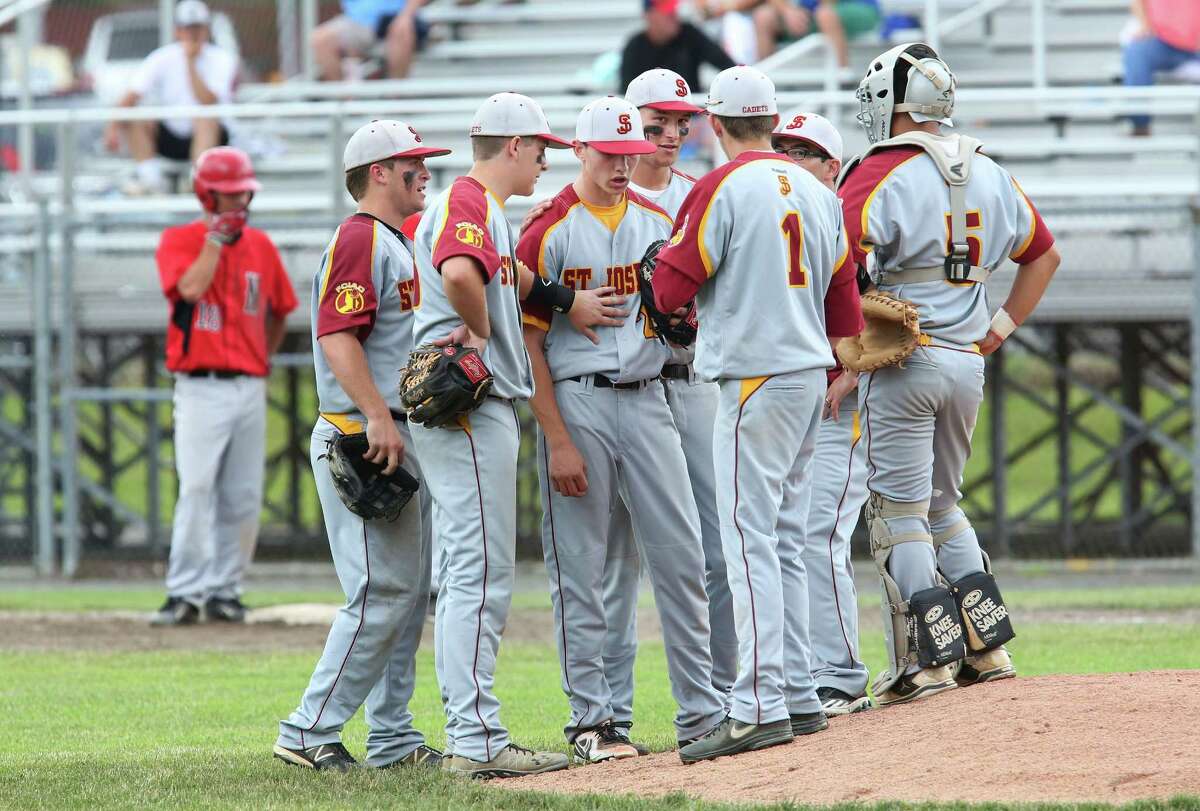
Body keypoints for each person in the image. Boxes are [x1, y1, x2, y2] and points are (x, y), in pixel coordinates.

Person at [408, 92, 628, 778]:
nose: (544, 160)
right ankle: (476, 740)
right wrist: (480, 327)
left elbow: (508, 272)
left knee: (468, 570)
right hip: (471, 406)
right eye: (539, 148)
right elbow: (460, 273)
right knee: (479, 574)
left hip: (470, 408)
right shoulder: (470, 200)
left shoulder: (479, 207)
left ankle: (470, 729)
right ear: (512, 146)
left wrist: (563, 300)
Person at [651, 66, 863, 763]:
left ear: (715, 124)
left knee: (749, 539)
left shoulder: (720, 186)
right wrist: (838, 364)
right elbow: (845, 300)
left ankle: (759, 703)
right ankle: (800, 690)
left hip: (753, 376)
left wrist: (668, 280)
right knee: (789, 535)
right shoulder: (816, 187)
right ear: (771, 122)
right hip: (808, 373)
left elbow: (672, 282)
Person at [838, 43, 1060, 706]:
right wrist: (997, 330)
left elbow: (835, 259)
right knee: (944, 505)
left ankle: (925, 662)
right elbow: (1043, 256)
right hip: (967, 356)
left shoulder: (878, 168)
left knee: (901, 514)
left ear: (891, 104)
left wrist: (845, 332)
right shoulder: (988, 168)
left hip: (904, 358)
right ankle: (987, 646)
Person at [518, 96, 728, 763]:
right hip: (577, 399)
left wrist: (683, 323)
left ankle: (702, 712)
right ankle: (593, 719)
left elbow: (691, 313)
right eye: (609, 155)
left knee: (682, 556)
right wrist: (555, 437)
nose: (620, 166)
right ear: (580, 150)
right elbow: (528, 343)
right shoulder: (547, 228)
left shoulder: (658, 220)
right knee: (582, 567)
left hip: (649, 396)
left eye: (630, 155)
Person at [272, 121, 451, 772]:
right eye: (412, 163)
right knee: (382, 590)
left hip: (395, 426)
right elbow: (338, 336)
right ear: (378, 171)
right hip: (363, 430)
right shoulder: (360, 239)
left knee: (404, 595)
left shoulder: (396, 242)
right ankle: (307, 727)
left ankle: (393, 737)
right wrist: (377, 415)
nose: (424, 171)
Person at [593, 69, 737, 734]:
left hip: (692, 381)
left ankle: (732, 694)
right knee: (614, 560)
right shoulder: (593, 199)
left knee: (713, 549)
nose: (674, 134)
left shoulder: (699, 193)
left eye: (683, 122)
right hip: (618, 388)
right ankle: (609, 716)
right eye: (658, 124)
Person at [151, 147, 297, 626]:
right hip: (200, 385)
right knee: (196, 487)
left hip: (248, 383)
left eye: (242, 195)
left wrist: (263, 356)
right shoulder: (180, 239)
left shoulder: (261, 245)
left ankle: (225, 589)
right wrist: (213, 243)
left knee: (242, 494)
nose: (237, 205)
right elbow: (189, 289)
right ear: (205, 194)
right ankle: (184, 591)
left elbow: (281, 309)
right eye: (227, 196)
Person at [771, 110, 872, 716]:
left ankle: (839, 673)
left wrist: (853, 371)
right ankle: (807, 669)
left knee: (818, 534)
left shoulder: (852, 225)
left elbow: (889, 315)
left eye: (803, 151)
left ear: (833, 168)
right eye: (782, 146)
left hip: (847, 406)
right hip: (796, 401)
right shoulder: (782, 220)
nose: (788, 156)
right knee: (791, 534)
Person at [104, 1, 240, 195]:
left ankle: (198, 178)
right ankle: (151, 180)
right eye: (188, 28)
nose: (193, 34)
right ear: (178, 31)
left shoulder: (222, 58)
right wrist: (112, 128)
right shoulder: (162, 57)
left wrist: (190, 63)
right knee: (137, 117)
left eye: (197, 28)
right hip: (172, 136)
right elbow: (132, 94)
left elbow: (208, 100)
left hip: (212, 138)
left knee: (205, 118)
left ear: (206, 30)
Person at [619, 0, 736, 93]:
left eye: (673, 10)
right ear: (649, 15)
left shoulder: (689, 34)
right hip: (652, 117)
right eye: (667, 12)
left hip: (690, 114)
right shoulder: (634, 47)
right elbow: (628, 92)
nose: (674, 15)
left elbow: (728, 66)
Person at [1123, 0, 1200, 135]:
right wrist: (1145, 25)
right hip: (1164, 42)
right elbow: (1138, 3)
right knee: (1136, 53)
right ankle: (1140, 125)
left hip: (1193, 46)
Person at [311, 0, 430, 81]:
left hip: (396, 20)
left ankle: (396, 98)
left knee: (401, 30)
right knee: (319, 39)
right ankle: (343, 100)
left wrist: (406, 16)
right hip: (357, 23)